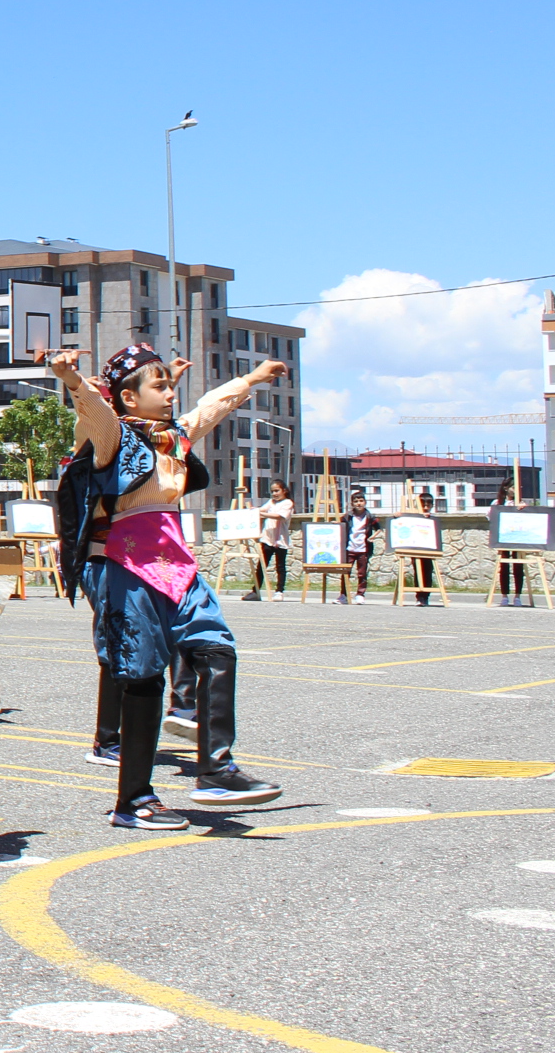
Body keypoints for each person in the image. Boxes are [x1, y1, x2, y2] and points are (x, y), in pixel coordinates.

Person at [52, 342, 289, 827]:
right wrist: (73, 382)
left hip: (173, 561)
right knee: (141, 676)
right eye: (158, 386)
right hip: (122, 562)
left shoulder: (173, 438)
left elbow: (211, 408)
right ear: (129, 398)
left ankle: (216, 768)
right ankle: (134, 800)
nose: (171, 393)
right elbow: (96, 412)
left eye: (169, 385)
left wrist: (254, 378)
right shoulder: (112, 437)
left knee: (217, 648)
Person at [249, 480, 293, 601]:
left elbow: (280, 516)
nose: (274, 493)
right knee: (262, 565)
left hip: (280, 540)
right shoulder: (271, 502)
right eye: (272, 491)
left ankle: (279, 591)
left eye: (277, 490)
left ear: (284, 490)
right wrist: (255, 510)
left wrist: (262, 514)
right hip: (267, 538)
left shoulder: (288, 503)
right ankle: (256, 590)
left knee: (280, 566)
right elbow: (262, 510)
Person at [344, 493, 375, 603]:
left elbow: (378, 528)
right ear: (352, 503)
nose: (359, 503)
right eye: (356, 501)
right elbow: (342, 526)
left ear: (365, 502)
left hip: (363, 549)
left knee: (362, 573)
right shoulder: (348, 516)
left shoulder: (369, 516)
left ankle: (360, 594)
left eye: (361, 501)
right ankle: (344, 594)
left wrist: (372, 537)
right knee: (346, 572)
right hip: (350, 548)